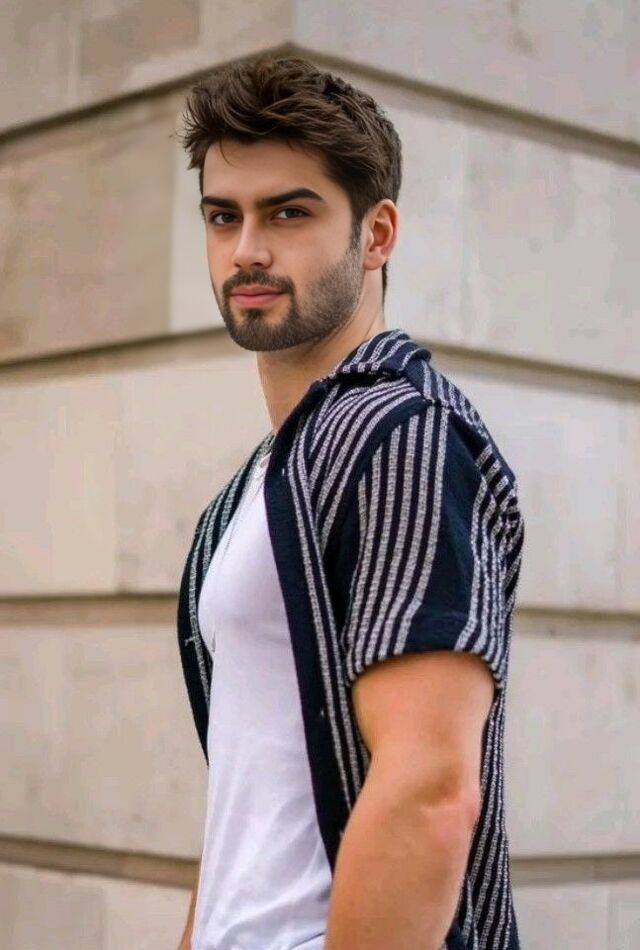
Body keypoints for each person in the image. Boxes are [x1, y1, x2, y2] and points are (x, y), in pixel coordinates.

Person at [175, 54, 525, 950]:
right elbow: (246, 804)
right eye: (224, 216)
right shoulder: (262, 483)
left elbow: (429, 789)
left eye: (289, 212)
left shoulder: (401, 436)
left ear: (377, 234)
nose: (247, 250)